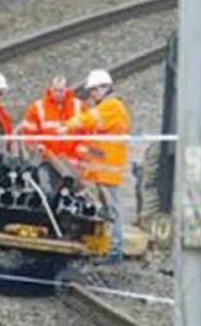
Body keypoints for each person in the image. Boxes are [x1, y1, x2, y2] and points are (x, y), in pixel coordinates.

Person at [64, 68, 130, 263]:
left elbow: (89, 119)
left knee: (113, 210)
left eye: (94, 90)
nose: (92, 95)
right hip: (104, 168)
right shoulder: (110, 107)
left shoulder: (112, 106)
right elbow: (98, 142)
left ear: (105, 87)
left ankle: (115, 249)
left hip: (108, 170)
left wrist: (67, 126)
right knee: (108, 210)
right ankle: (110, 245)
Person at [17, 75, 85, 159]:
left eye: (61, 91)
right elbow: (28, 134)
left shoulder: (79, 106)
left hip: (74, 162)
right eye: (55, 90)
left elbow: (88, 133)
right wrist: (40, 149)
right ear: (50, 89)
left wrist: (80, 152)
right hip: (48, 161)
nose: (57, 94)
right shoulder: (36, 108)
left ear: (67, 90)